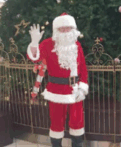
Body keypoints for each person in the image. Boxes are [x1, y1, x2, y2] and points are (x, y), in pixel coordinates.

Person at [27, 13, 89, 147]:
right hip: (56, 91)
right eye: (62, 28)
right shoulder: (48, 44)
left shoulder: (77, 45)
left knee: (77, 122)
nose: (65, 31)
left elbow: (83, 68)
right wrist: (34, 43)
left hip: (75, 90)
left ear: (73, 29)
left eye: (68, 28)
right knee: (56, 123)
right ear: (57, 30)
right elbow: (35, 57)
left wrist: (83, 88)